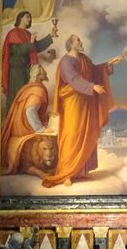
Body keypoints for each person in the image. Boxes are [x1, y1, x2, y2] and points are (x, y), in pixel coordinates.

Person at [42, 34, 120, 188]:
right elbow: (74, 79)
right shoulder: (66, 61)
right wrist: (92, 86)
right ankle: (67, 173)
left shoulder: (84, 59)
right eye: (78, 40)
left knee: (86, 133)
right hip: (73, 103)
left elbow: (94, 71)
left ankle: (81, 171)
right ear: (71, 44)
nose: (81, 42)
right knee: (72, 135)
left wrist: (107, 65)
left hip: (86, 102)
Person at [1, 65, 51, 174]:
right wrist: (40, 129)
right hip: (24, 128)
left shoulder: (29, 88)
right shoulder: (38, 90)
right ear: (38, 75)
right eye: (43, 72)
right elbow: (30, 111)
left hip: (19, 126)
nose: (45, 73)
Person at [1, 11, 54, 112]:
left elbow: (36, 47)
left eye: (30, 18)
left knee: (27, 96)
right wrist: (30, 42)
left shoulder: (27, 34)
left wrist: (50, 36)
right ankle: (14, 119)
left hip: (27, 70)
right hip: (17, 72)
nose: (29, 19)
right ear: (20, 18)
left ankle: (24, 119)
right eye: (27, 17)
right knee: (18, 96)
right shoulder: (13, 33)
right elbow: (18, 51)